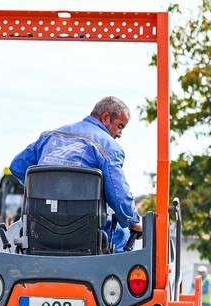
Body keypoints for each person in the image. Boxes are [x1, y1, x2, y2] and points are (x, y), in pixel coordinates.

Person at [9, 96, 142, 251]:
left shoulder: (50, 136)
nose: (119, 134)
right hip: (87, 233)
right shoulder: (109, 148)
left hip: (39, 229)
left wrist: (42, 188)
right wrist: (133, 221)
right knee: (125, 236)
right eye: (120, 126)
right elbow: (118, 193)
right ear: (106, 118)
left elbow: (17, 166)